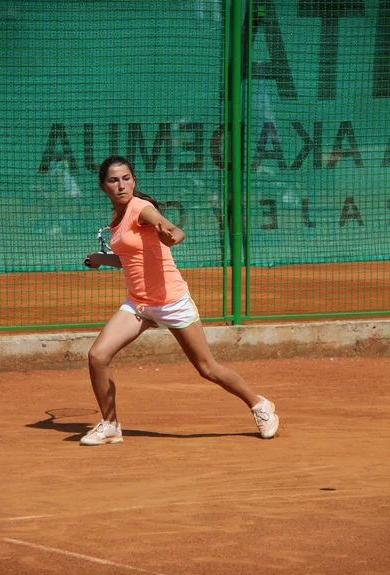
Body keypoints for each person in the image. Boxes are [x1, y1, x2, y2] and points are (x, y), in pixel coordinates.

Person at [80, 155, 279, 446]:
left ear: (134, 181)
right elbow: (130, 259)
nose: (121, 185)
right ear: (103, 187)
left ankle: (260, 405)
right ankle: (110, 425)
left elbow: (173, 230)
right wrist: (100, 259)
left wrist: (171, 235)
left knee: (207, 368)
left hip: (171, 301)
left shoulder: (141, 209)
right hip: (139, 304)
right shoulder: (117, 220)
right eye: (113, 180)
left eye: (126, 178)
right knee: (97, 356)